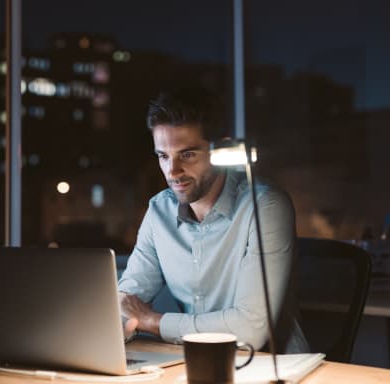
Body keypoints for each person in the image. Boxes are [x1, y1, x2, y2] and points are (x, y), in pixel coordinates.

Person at [118, 86, 309, 353]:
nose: (172, 171)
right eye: (163, 156)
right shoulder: (159, 211)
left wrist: (154, 322)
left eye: (187, 154)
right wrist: (120, 323)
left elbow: (250, 330)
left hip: (270, 365)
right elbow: (125, 302)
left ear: (221, 150)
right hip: (192, 361)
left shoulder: (264, 206)